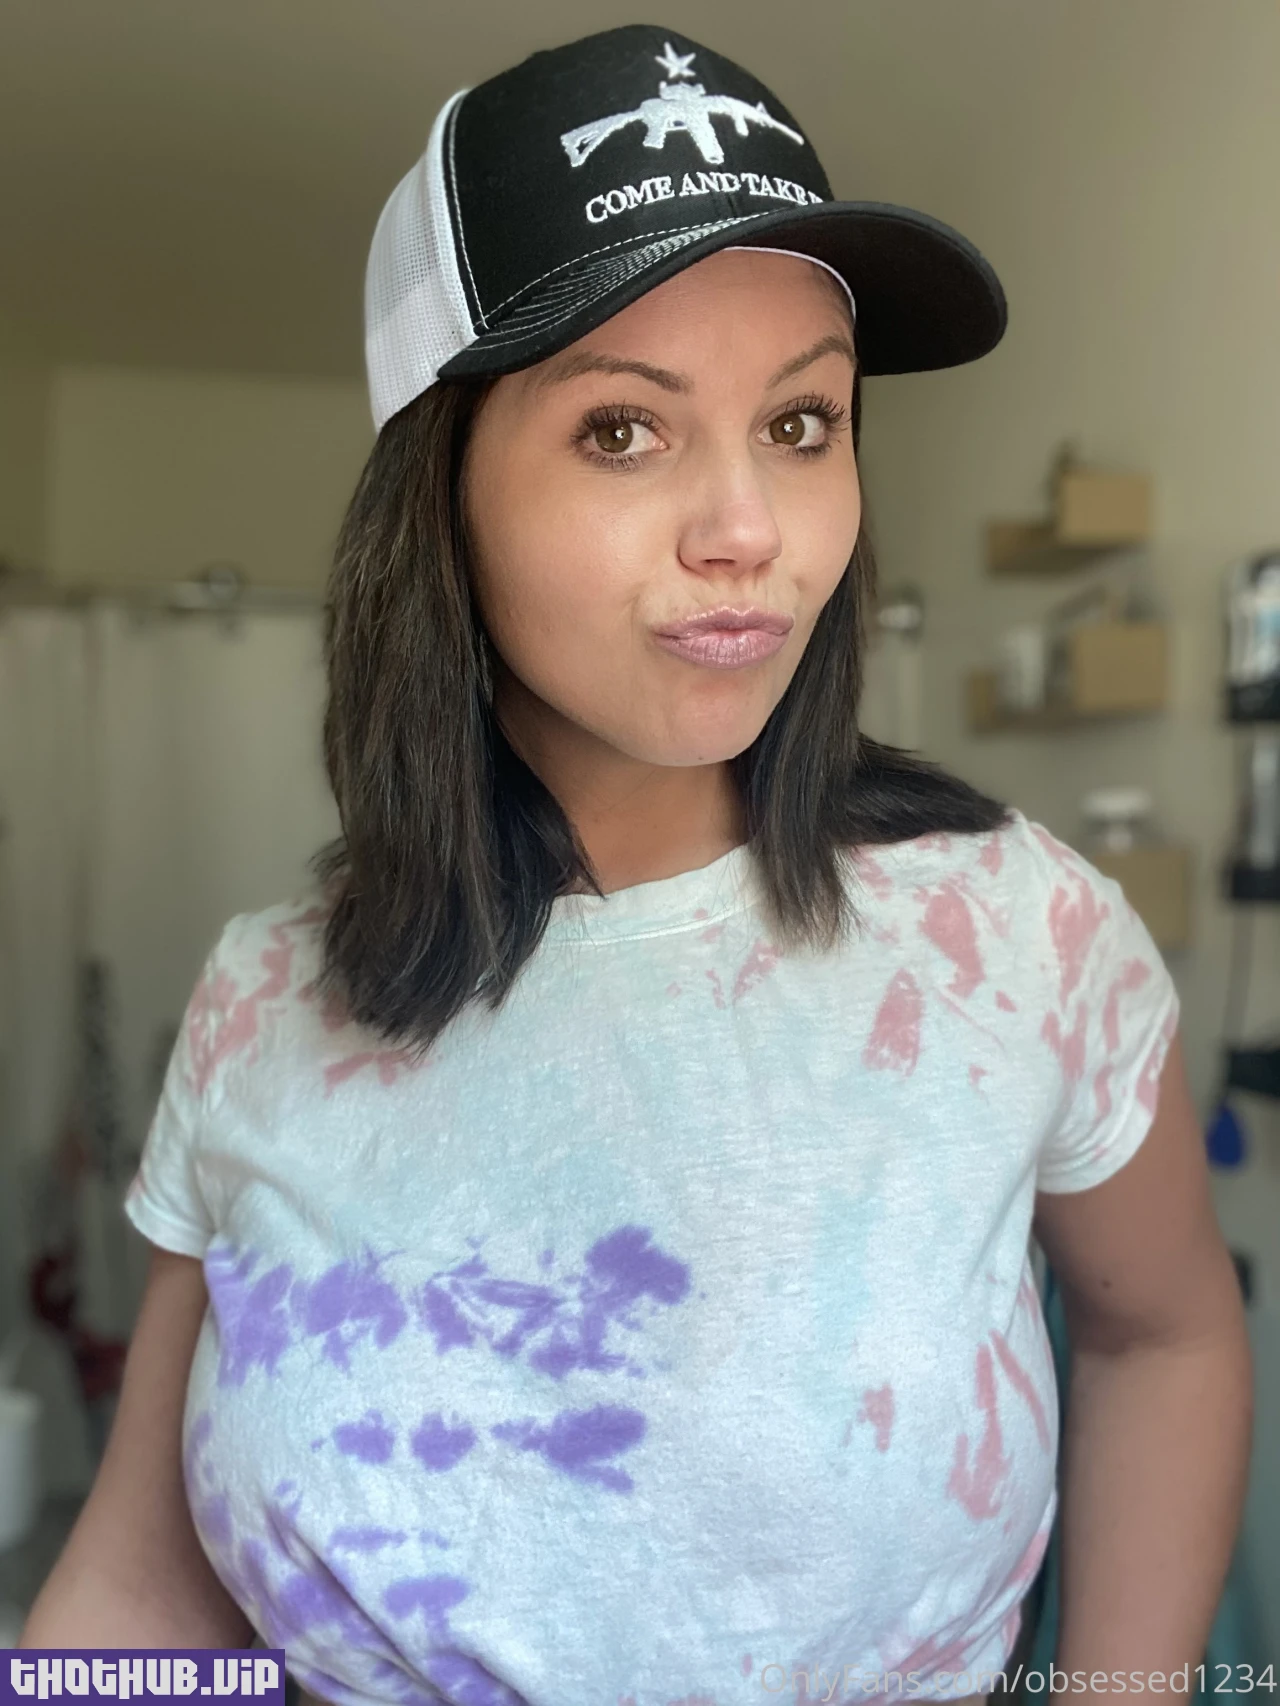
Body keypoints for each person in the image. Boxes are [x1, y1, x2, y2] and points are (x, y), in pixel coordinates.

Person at [21, 23, 1251, 1706]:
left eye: (803, 420)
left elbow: (1162, 1332)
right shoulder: (264, 1000)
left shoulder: (1016, 933)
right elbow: (143, 1586)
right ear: (438, 493)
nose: (748, 527)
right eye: (623, 429)